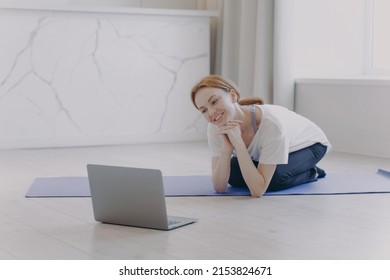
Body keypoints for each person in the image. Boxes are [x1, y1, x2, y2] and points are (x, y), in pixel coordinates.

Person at [190, 75, 332, 198]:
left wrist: (238, 143)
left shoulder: (270, 124)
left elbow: (257, 191)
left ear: (233, 96)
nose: (211, 112)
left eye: (214, 101)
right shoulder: (215, 126)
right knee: (232, 173)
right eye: (203, 110)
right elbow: (220, 187)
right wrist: (227, 148)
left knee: (273, 180)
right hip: (278, 148)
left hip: (310, 145)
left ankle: (311, 172)